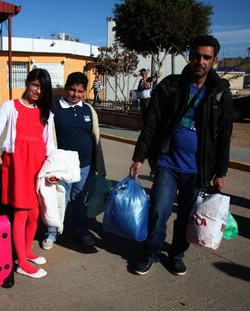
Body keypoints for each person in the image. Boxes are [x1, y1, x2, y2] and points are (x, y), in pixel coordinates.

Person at [129, 35, 233, 276]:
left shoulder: (220, 93)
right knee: (159, 211)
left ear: (214, 60)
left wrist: (220, 172)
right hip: (167, 163)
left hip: (197, 169)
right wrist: (139, 157)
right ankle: (150, 253)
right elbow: (152, 123)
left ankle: (176, 255)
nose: (200, 61)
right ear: (190, 56)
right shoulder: (171, 85)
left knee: (187, 217)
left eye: (207, 57)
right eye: (196, 55)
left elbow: (224, 135)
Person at [0, 68, 56, 279]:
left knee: (35, 214)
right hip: (17, 164)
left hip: (37, 166)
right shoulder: (10, 107)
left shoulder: (47, 113)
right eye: (35, 85)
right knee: (20, 213)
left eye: (42, 88)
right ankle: (21, 262)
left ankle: (26, 251)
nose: (37, 91)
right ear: (27, 83)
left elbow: (50, 144)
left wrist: (51, 169)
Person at [42, 72, 106, 249]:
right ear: (65, 88)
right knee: (56, 198)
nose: (75, 95)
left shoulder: (88, 110)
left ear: (85, 91)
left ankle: (81, 229)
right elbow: (48, 137)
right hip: (61, 165)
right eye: (72, 90)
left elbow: (95, 137)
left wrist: (98, 164)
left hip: (84, 165)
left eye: (80, 91)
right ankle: (52, 233)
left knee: (79, 200)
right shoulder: (54, 109)